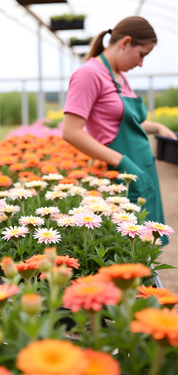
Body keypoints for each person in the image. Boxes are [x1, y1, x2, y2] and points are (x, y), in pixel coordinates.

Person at [62, 15, 176, 239]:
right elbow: (71, 132)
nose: (141, 63)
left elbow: (125, 122)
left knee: (147, 243)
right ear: (125, 43)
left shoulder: (121, 76)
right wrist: (122, 162)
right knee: (130, 243)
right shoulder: (89, 73)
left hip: (143, 168)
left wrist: (158, 127)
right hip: (122, 172)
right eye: (141, 54)